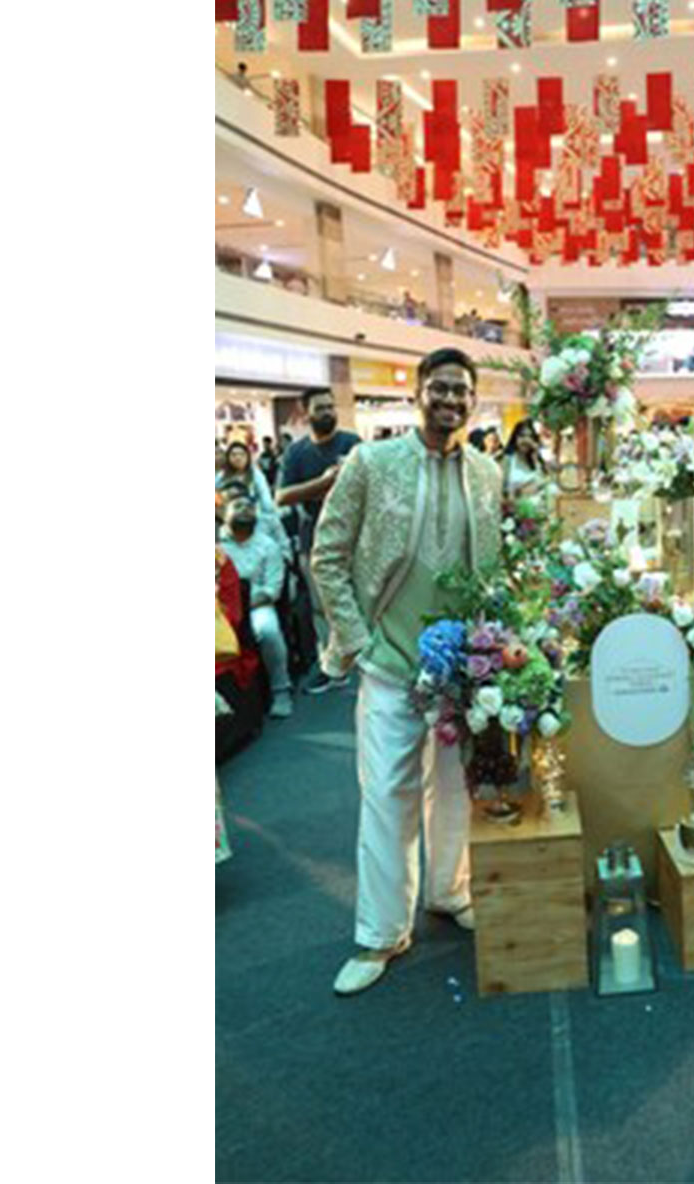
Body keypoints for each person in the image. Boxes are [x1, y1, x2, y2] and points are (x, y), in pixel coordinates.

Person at [311, 348, 504, 996]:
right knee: (388, 798)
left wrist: (493, 646)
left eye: (462, 392)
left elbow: (493, 565)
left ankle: (450, 892)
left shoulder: (487, 471)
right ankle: (380, 932)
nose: (451, 400)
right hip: (392, 663)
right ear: (419, 392)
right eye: (440, 388)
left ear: (473, 402)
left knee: (454, 790)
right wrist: (359, 639)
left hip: (461, 673)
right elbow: (328, 554)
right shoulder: (372, 462)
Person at [276, 388, 363, 693]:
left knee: (360, 598)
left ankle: (361, 659)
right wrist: (324, 483)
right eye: (320, 408)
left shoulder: (352, 444)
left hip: (356, 535)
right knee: (321, 606)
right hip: (312, 537)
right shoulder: (296, 453)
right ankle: (333, 666)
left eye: (330, 406)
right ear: (306, 412)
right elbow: (282, 497)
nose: (328, 412)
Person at [219, 494, 294, 718]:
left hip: (256, 605)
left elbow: (272, 590)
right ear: (224, 514)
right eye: (238, 505)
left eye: (249, 507)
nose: (244, 510)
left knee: (267, 631)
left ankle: (281, 691)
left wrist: (242, 605)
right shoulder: (215, 545)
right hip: (219, 609)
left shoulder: (268, 546)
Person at [216, 440, 288, 555]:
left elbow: (267, 502)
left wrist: (269, 518)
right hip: (225, 522)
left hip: (253, 520)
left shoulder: (256, 476)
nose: (238, 458)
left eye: (241, 454)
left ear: (247, 457)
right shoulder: (220, 477)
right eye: (234, 455)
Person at [501, 419, 546, 496]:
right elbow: (502, 490)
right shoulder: (508, 459)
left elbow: (550, 478)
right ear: (515, 438)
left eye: (530, 436)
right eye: (522, 436)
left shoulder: (536, 459)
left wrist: (537, 451)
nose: (526, 440)